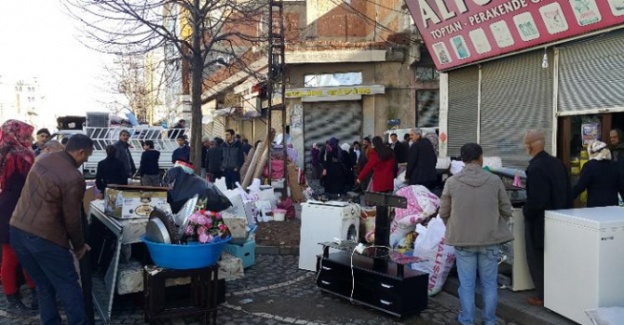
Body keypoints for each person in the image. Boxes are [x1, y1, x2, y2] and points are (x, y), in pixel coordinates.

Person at [10, 134, 94, 325]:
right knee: (68, 287)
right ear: (81, 152)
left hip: (17, 229)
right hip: (44, 237)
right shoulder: (73, 177)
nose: (86, 160)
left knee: (43, 285)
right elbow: (73, 219)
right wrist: (79, 246)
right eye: (87, 155)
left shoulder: (43, 158)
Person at [439, 143, 513, 325]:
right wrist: (493, 223)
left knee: (466, 285)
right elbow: (506, 210)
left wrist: (456, 226)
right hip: (490, 240)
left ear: (462, 160)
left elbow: (443, 213)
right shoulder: (495, 180)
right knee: (489, 284)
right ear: (480, 158)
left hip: (463, 242)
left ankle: (467, 320)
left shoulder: (452, 182)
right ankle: (489, 320)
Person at [523, 130, 571, 307]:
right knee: (555, 259)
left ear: (530, 146)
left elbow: (536, 200)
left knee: (537, 259)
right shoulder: (557, 163)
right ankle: (557, 293)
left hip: (540, 222)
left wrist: (525, 213)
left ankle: (543, 296)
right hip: (560, 218)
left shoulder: (536, 168)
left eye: (525, 143)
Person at [0, 120, 38, 313]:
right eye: (28, 134)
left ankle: (27, 293)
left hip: (9, 206)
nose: (31, 138)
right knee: (15, 255)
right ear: (18, 134)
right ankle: (15, 298)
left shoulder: (4, 152)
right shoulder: (21, 156)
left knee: (17, 254)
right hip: (16, 209)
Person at [572, 141, 624, 207]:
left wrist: (566, 200)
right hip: (612, 208)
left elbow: (580, 186)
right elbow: (622, 187)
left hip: (595, 207)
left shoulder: (590, 166)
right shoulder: (614, 166)